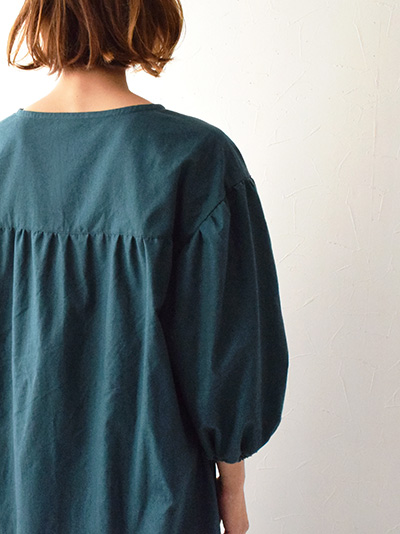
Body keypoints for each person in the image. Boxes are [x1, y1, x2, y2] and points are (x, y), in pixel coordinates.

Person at [0, 1, 289, 533]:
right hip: (153, 500)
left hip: (17, 495)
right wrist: (233, 487)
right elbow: (226, 353)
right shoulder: (196, 159)